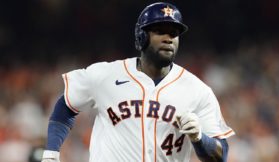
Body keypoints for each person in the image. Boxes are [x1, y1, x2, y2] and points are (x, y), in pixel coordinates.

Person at [41, 2, 235, 162]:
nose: (169, 38)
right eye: (160, 31)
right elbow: (66, 105)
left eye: (174, 33)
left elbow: (221, 155)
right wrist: (51, 153)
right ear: (141, 37)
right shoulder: (106, 75)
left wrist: (199, 139)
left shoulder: (197, 90)